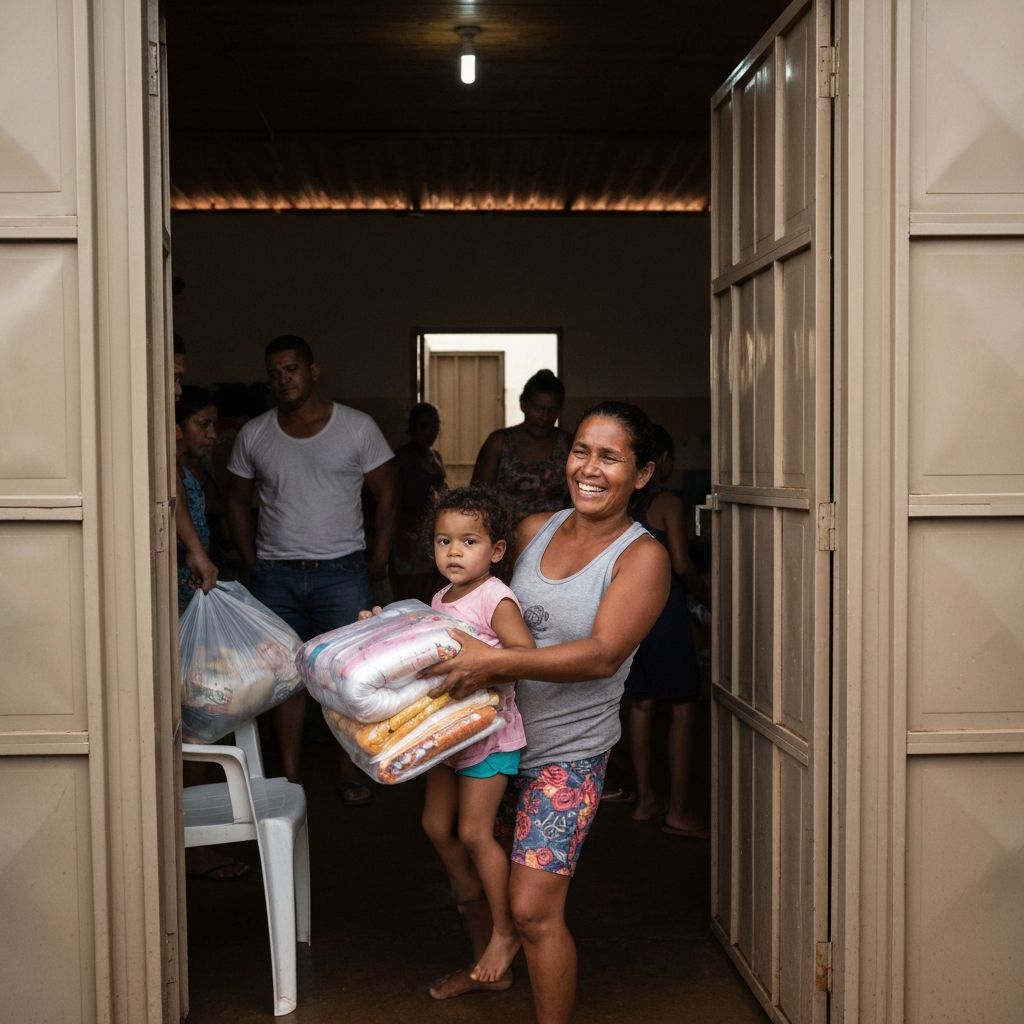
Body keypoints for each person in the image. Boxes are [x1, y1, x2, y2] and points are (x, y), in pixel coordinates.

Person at [419, 401, 670, 1024]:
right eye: (581, 451)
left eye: (610, 457)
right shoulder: (531, 531)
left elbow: (602, 655)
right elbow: (465, 606)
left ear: (641, 474)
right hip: (490, 737)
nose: (588, 468)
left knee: (533, 910)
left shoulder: (642, 558)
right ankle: (489, 971)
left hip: (567, 753)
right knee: (471, 865)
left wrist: (495, 664)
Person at [225, 335, 398, 795]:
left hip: (342, 572)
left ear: (313, 371)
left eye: (292, 369)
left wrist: (379, 557)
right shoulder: (255, 433)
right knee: (287, 679)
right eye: (275, 372)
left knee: (345, 677)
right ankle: (291, 778)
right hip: (277, 574)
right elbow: (236, 502)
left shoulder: (357, 427)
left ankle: (348, 771)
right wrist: (250, 560)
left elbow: (388, 494)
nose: (284, 379)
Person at [417, 486, 534, 992]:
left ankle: (504, 932)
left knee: (473, 833)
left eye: (469, 541)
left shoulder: (495, 597)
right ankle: (472, 896)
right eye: (444, 541)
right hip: (449, 737)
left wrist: (482, 665)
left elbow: (523, 655)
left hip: (489, 735)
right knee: (434, 825)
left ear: (498, 551)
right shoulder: (439, 598)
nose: (455, 552)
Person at [620, 424, 710, 836]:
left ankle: (644, 801)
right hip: (666, 613)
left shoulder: (623, 504)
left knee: (639, 704)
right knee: (683, 706)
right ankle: (677, 809)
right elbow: (681, 563)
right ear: (664, 462)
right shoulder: (668, 502)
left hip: (628, 613)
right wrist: (709, 599)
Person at [176, 386, 248, 880]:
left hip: (190, 606)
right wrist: (199, 554)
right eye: (202, 424)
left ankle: (191, 837)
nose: (212, 433)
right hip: (179, 610)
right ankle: (191, 844)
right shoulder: (171, 470)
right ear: (176, 427)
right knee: (198, 720)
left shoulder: (193, 471)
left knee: (201, 719)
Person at [471, 369, 572, 522]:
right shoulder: (499, 442)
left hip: (555, 537)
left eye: (552, 410)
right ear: (523, 404)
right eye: (538, 409)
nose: (544, 417)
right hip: (506, 538)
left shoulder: (567, 444)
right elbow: (477, 496)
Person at [390, 402, 446, 604]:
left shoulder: (435, 456)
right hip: (406, 533)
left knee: (430, 587)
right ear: (411, 428)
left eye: (435, 426)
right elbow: (392, 499)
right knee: (409, 592)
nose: (430, 432)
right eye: (424, 426)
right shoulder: (403, 457)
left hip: (428, 532)